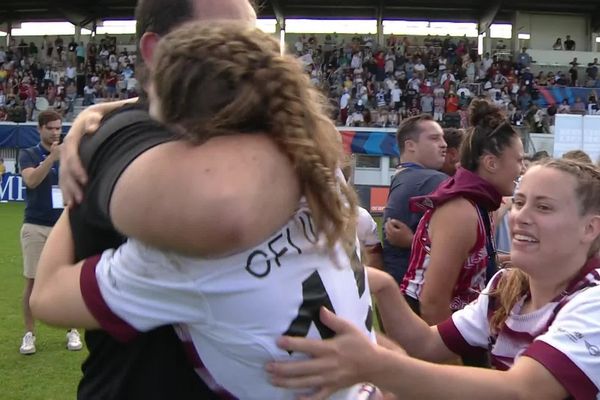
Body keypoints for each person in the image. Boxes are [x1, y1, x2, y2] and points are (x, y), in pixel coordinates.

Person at [30, 0, 364, 398]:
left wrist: (76, 191)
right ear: (157, 51)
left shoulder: (189, 253)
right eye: (229, 37)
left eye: (252, 39)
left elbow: (227, 213)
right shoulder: (313, 160)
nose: (247, 54)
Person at [267, 158, 600, 400]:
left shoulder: (594, 300)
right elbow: (427, 345)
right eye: (520, 202)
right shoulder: (506, 286)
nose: (521, 218)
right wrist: (381, 287)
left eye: (543, 208)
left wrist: (377, 366)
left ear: (590, 228)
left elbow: (522, 391)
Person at [400, 99, 524, 330]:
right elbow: (432, 302)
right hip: (428, 325)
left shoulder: (480, 203)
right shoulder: (461, 211)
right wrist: (451, 360)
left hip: (456, 321)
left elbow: (470, 263)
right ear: (491, 163)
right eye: (518, 160)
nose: (522, 168)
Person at [18, 111, 82, 355]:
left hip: (65, 226)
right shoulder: (29, 153)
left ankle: (72, 329)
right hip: (35, 225)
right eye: (51, 128)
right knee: (32, 283)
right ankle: (29, 334)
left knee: (70, 280)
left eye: (58, 128)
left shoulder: (70, 154)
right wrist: (51, 159)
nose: (56, 132)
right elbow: (31, 181)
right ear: (39, 129)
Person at [382, 115, 447, 285]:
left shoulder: (402, 177)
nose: (444, 144)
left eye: (443, 138)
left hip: (398, 289)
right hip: (422, 292)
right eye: (434, 138)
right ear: (410, 145)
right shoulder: (434, 180)